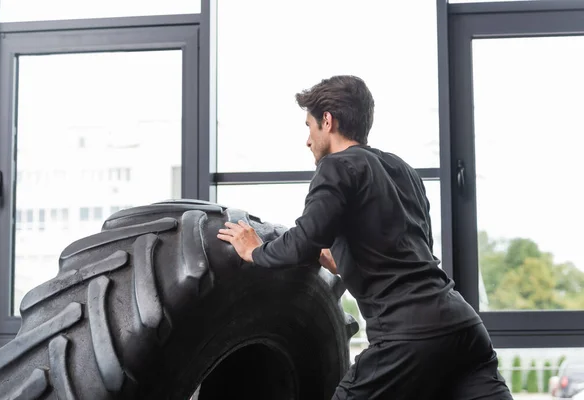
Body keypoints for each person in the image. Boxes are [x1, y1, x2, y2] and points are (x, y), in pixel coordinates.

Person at [216, 75, 513, 399]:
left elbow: (304, 241)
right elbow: (411, 252)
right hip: (462, 327)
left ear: (327, 121)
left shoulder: (336, 167)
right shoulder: (402, 169)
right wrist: (345, 262)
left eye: (309, 126)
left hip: (408, 335)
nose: (307, 140)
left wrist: (255, 250)